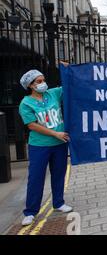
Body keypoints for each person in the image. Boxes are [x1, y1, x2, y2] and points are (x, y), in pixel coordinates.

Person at [18, 69, 73, 226]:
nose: (43, 83)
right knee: (36, 178)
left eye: (43, 80)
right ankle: (30, 212)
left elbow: (70, 86)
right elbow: (32, 125)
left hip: (59, 145)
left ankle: (59, 203)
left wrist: (67, 70)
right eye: (39, 81)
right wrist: (54, 134)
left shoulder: (52, 94)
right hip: (39, 146)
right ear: (30, 85)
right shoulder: (26, 103)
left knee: (59, 174)